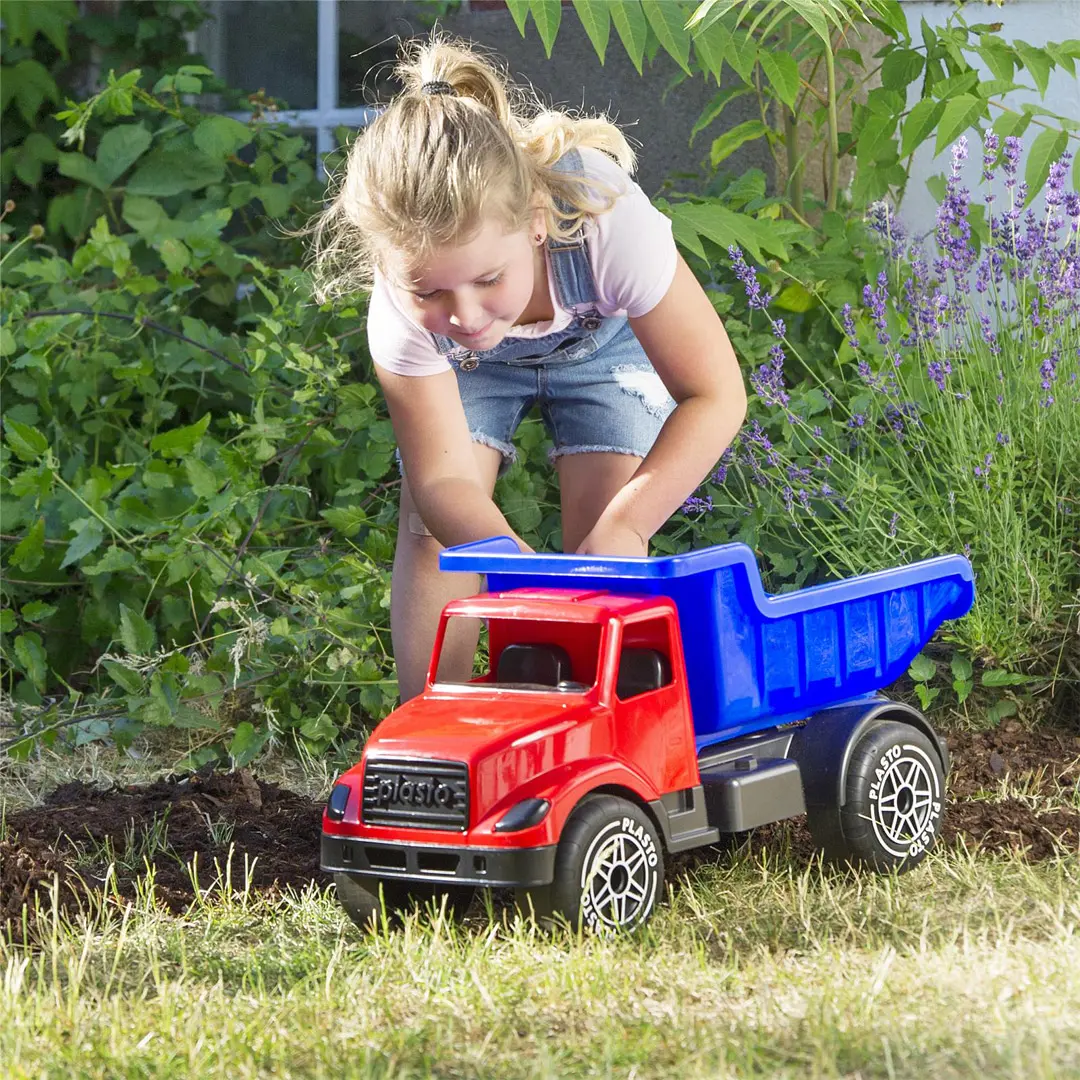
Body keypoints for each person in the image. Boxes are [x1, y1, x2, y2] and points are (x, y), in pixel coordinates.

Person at [307, 34, 747, 702]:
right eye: (432, 292)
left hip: (604, 347)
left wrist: (627, 526)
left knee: (602, 539)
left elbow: (715, 393)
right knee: (437, 535)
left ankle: (595, 717)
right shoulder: (402, 308)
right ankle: (433, 723)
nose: (468, 315)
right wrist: (511, 565)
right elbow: (443, 477)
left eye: (488, 278)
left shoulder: (604, 218)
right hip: (466, 375)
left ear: (536, 223)